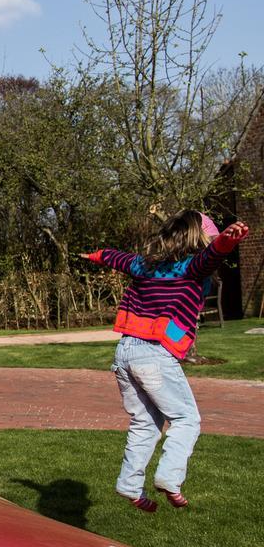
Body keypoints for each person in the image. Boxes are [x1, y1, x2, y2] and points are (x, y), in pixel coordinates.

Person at [80, 211, 249, 512]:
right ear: (200, 239)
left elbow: (116, 258)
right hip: (154, 355)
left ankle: (129, 485)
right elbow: (210, 257)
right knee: (186, 419)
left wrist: (95, 254)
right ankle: (169, 478)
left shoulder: (144, 265)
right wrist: (225, 241)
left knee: (145, 423)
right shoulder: (191, 268)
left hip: (124, 353)